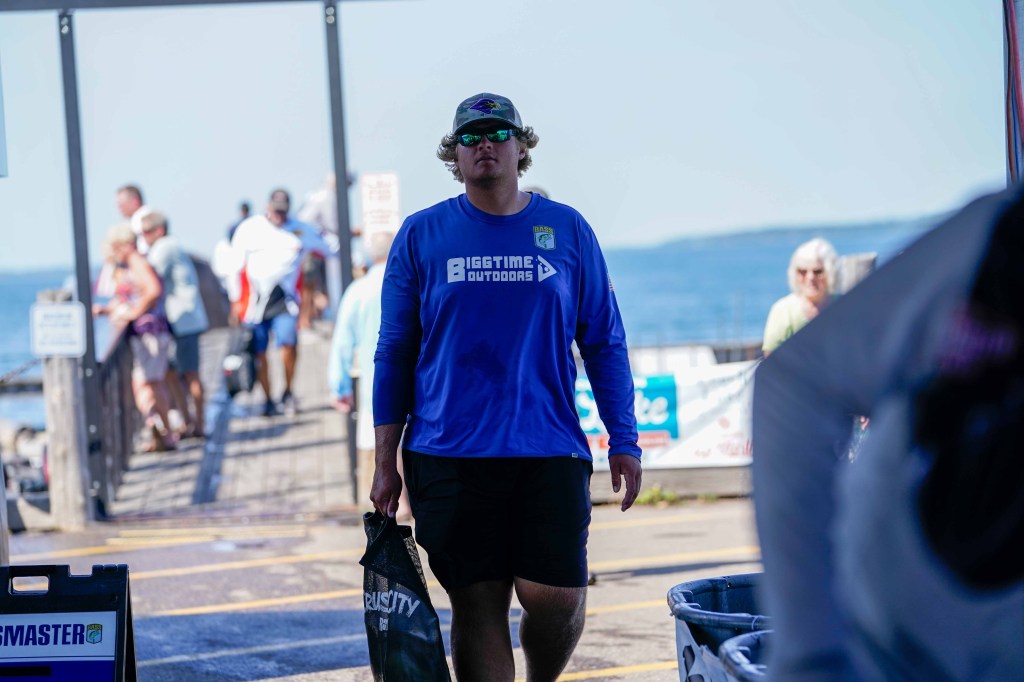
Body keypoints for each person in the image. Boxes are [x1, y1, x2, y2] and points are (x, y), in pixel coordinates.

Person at [371, 92, 643, 681]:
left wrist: (624, 437)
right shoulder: (422, 234)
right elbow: (394, 352)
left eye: (498, 133)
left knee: (557, 596)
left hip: (549, 447)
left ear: (522, 147)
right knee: (478, 603)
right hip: (447, 454)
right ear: (454, 155)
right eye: (470, 137)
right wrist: (384, 462)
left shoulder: (567, 229)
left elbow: (604, 341)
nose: (485, 144)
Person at [752, 187, 1024, 681]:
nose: (812, 280)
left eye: (818, 273)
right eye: (804, 272)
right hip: (916, 632)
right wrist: (810, 658)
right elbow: (791, 379)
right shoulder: (1003, 236)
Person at [227, 188, 335, 417]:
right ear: (268, 207)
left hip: (285, 302)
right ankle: (267, 398)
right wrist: (235, 300)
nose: (279, 215)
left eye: (283, 211)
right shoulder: (249, 229)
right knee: (259, 352)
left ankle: (288, 392)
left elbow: (330, 247)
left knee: (288, 344)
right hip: (256, 304)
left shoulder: (300, 229)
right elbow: (233, 266)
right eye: (276, 210)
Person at [327, 229, 410, 518]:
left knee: (381, 444)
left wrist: (339, 386)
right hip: (413, 377)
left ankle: (391, 507)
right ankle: (408, 503)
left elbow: (342, 342)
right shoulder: (410, 280)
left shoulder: (358, 290)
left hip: (374, 381)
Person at [93, 223, 176, 452]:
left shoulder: (136, 261)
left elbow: (153, 290)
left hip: (149, 332)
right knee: (154, 384)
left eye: (115, 247)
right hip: (150, 331)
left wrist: (133, 313)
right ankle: (163, 432)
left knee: (144, 384)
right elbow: (136, 295)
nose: (113, 252)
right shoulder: (133, 263)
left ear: (124, 245)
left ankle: (157, 427)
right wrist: (108, 310)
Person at [139, 211, 210, 439]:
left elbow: (149, 275)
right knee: (171, 372)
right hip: (180, 320)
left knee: (190, 373)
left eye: (146, 232)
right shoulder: (170, 246)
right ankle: (188, 420)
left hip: (183, 320)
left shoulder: (165, 247)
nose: (144, 237)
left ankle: (199, 424)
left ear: (159, 230)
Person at [761, 237, 838, 355]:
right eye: (803, 271)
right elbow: (771, 360)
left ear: (830, 272)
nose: (810, 277)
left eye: (818, 271)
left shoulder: (844, 305)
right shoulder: (782, 311)